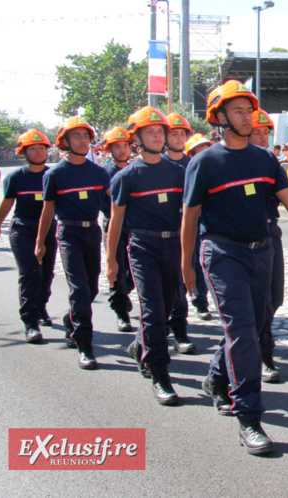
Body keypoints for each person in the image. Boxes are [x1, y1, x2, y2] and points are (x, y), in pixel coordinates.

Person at [181, 80, 288, 453]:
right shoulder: (204, 162)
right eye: (238, 111)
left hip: (263, 253)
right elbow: (190, 217)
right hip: (223, 254)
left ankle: (216, 377)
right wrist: (187, 266)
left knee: (254, 329)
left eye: (248, 110)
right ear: (220, 118)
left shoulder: (264, 159)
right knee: (241, 331)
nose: (247, 117)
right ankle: (249, 417)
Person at [107, 106, 187, 405]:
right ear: (137, 138)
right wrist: (111, 260)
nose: (157, 136)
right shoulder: (126, 177)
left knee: (167, 308)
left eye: (160, 131)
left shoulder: (178, 171)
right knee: (152, 311)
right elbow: (115, 221)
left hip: (174, 246)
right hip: (142, 248)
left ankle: (140, 345)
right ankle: (160, 375)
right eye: (150, 132)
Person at [36, 117, 112, 370]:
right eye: (76, 136)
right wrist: (40, 242)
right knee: (79, 289)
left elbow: (113, 203)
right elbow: (47, 210)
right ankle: (84, 345)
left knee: (91, 289)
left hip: (92, 232)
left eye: (85, 136)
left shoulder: (99, 172)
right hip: (68, 233)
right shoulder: (55, 174)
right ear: (65, 142)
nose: (82, 140)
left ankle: (72, 320)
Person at [0, 130, 57, 341]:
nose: (38, 152)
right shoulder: (16, 178)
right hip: (23, 229)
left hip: (48, 230)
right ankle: (30, 321)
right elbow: (7, 203)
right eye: (32, 149)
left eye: (41, 148)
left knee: (47, 273)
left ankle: (41, 307)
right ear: (24, 152)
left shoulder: (53, 176)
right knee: (30, 272)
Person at [250, 107, 285, 383]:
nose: (262, 138)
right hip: (243, 240)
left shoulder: (270, 161)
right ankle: (263, 355)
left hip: (271, 232)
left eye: (265, 133)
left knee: (274, 298)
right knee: (252, 305)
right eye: (256, 132)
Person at [160, 112, 198, 354]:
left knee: (181, 285)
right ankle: (154, 330)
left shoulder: (194, 163)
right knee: (159, 290)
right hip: (158, 235)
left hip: (186, 233)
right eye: (173, 133)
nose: (178, 138)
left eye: (182, 134)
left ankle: (180, 331)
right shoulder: (156, 164)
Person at [100, 127, 135, 332]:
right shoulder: (104, 173)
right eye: (117, 147)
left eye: (125, 146)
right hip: (114, 226)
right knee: (117, 270)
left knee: (132, 273)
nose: (122, 150)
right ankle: (121, 311)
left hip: (136, 226)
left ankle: (123, 292)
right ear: (109, 150)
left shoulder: (136, 169)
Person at [183, 132, 214, 320]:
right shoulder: (186, 169)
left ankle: (201, 301)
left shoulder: (213, 168)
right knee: (189, 262)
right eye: (198, 149)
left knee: (200, 264)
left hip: (205, 223)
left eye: (205, 147)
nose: (203, 151)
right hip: (185, 224)